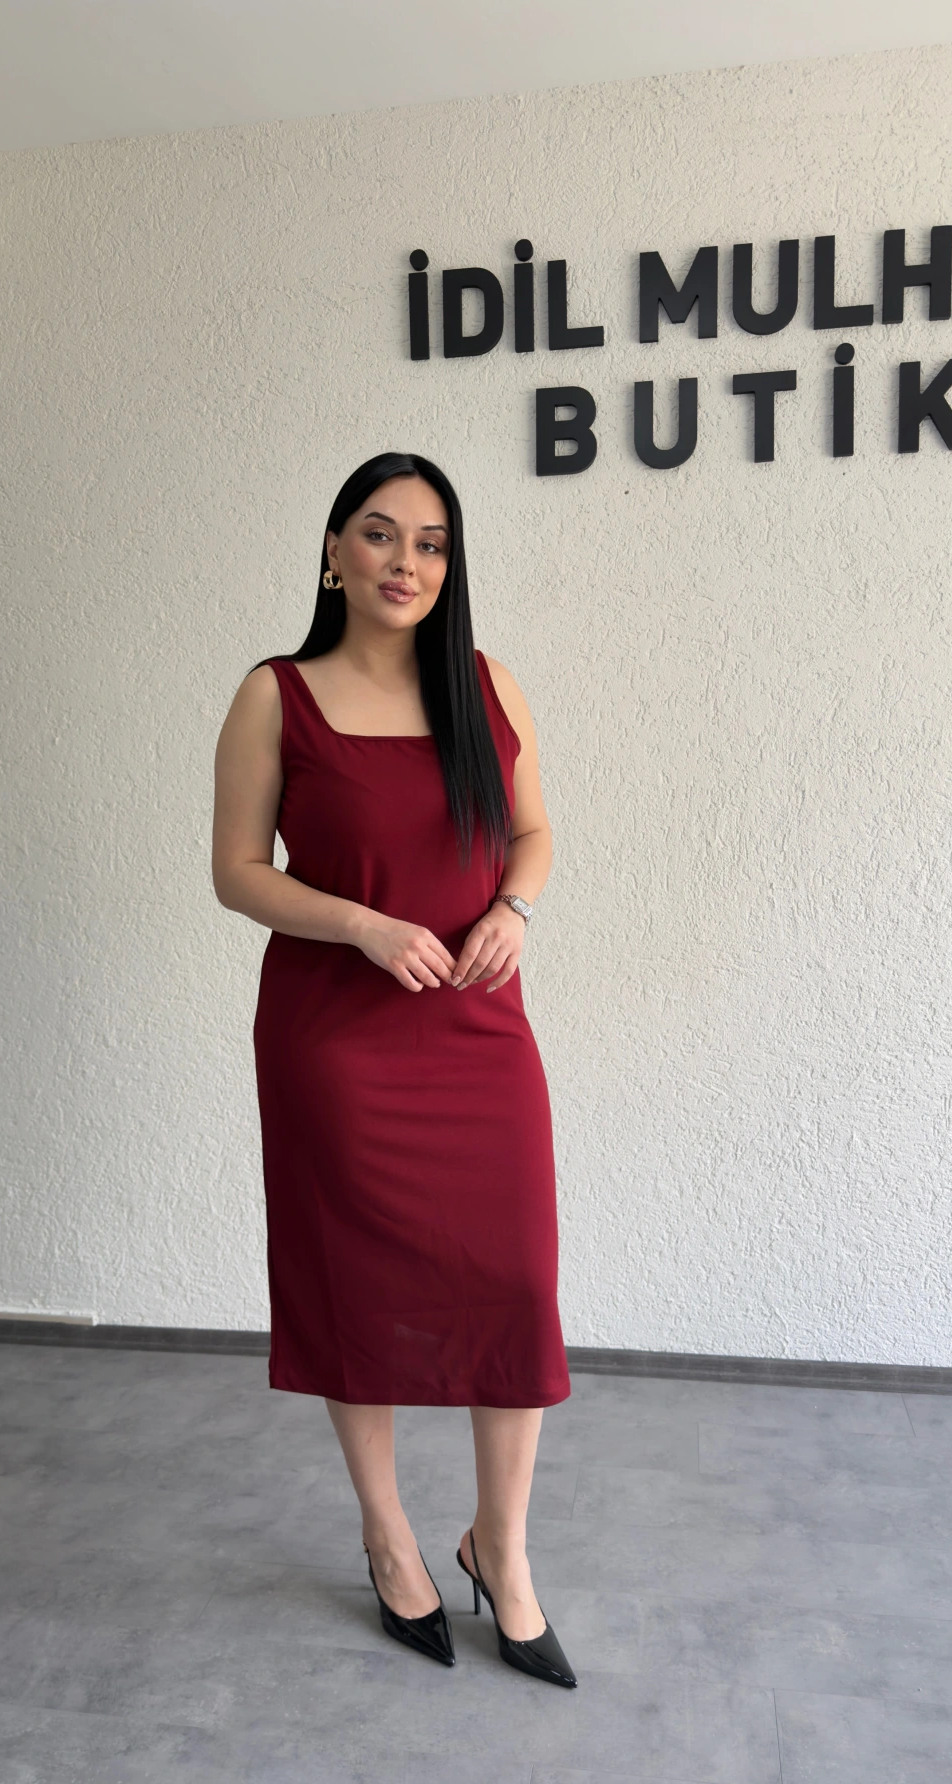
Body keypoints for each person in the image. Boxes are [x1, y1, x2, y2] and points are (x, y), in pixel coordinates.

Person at [212, 451, 576, 1689]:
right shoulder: (276, 695)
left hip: (477, 1028)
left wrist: (515, 907)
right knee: (352, 1287)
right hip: (334, 1042)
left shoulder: (484, 683)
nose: (404, 561)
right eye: (378, 534)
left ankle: (500, 1547)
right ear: (333, 552)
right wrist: (362, 924)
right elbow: (236, 871)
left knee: (514, 1279)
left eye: (429, 542)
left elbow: (531, 830)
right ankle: (386, 1535)